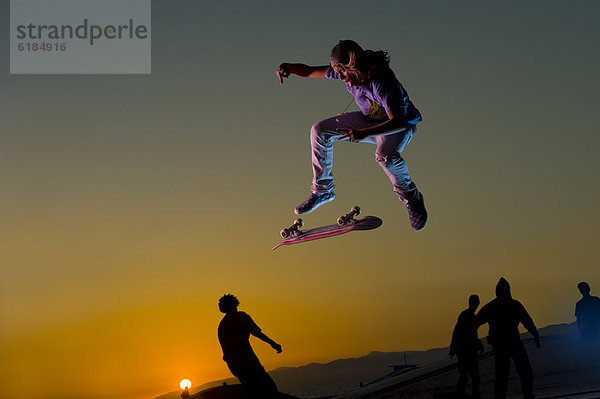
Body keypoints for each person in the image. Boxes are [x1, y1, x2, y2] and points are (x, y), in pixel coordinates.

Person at [276, 40, 427, 231]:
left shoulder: (382, 82)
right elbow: (310, 70)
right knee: (319, 130)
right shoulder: (343, 73)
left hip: (399, 127)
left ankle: (412, 199)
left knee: (385, 157)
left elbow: (398, 121)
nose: (342, 79)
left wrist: (364, 133)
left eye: (343, 74)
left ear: (353, 66)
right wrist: (288, 67)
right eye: (337, 74)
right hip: (369, 120)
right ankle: (323, 191)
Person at [476, 278, 541, 399]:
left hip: (501, 344)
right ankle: (526, 394)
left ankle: (503, 397)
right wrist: (535, 333)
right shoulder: (514, 305)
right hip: (511, 342)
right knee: (521, 370)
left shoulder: (491, 306)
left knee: (503, 374)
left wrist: (535, 333)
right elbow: (527, 321)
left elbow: (475, 323)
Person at [217, 294, 282, 399]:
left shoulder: (223, 324)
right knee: (268, 386)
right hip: (246, 360)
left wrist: (273, 344)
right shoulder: (242, 317)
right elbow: (257, 333)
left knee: (252, 389)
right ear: (234, 305)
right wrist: (273, 343)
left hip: (235, 363)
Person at [449, 294, 484, 398]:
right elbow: (458, 332)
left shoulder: (471, 317)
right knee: (467, 376)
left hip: (469, 351)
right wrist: (453, 348)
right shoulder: (466, 316)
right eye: (475, 303)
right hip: (465, 351)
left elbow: (472, 334)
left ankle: (474, 395)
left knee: (473, 376)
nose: (476, 305)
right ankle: (463, 395)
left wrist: (478, 344)